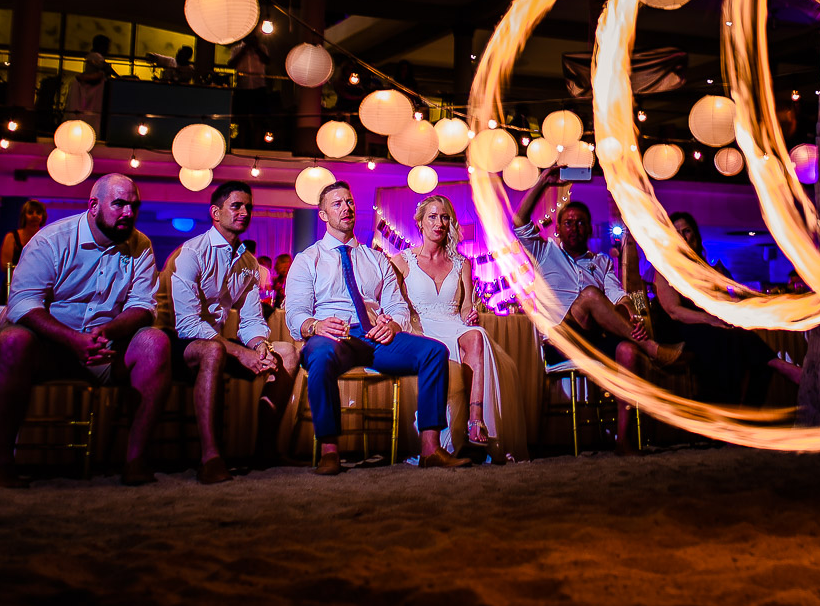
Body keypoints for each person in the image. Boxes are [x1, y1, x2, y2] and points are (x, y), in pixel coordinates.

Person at [0, 173, 169, 488]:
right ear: (93, 205)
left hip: (105, 350)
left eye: (134, 206)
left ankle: (136, 460)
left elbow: (144, 307)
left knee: (154, 341)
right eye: (119, 204)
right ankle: (0, 462)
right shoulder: (51, 239)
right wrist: (72, 340)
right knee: (12, 339)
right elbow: (23, 303)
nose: (128, 213)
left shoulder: (141, 245)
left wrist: (104, 333)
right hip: (48, 349)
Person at [285, 181, 469, 473]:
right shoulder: (308, 260)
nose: (346, 208)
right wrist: (315, 325)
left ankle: (431, 448)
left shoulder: (375, 258)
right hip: (333, 336)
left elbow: (397, 305)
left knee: (434, 351)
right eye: (337, 204)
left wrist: (394, 324)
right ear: (323, 215)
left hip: (374, 336)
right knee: (318, 356)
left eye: (350, 202)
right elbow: (295, 313)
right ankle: (330, 451)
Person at [513, 166, 682, 453]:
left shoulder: (601, 262)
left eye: (580, 223)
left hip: (595, 339)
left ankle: (623, 440)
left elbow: (619, 297)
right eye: (568, 223)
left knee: (628, 351)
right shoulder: (545, 253)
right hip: (562, 340)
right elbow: (518, 221)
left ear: (590, 229)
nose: (575, 227)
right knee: (590, 295)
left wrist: (632, 316)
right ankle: (653, 350)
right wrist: (543, 182)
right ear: (558, 228)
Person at [163, 181, 297, 482]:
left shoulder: (248, 263)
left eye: (248, 207)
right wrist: (240, 351)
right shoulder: (192, 253)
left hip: (219, 342)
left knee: (287, 351)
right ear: (215, 212)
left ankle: (264, 450)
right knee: (213, 349)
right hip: (178, 343)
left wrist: (260, 344)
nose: (244, 212)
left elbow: (250, 319)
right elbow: (186, 324)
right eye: (236, 206)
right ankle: (211, 456)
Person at [391, 195, 527, 461]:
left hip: (454, 324)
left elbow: (465, 306)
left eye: (444, 217)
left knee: (477, 336)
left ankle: (475, 421)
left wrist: (470, 313)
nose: (439, 223)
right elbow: (394, 304)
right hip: (423, 329)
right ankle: (444, 440)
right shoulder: (401, 261)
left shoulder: (462, 263)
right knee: (441, 352)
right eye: (432, 217)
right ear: (420, 222)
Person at [658, 211, 799, 405]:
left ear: (696, 236)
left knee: (738, 338)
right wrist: (709, 319)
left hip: (710, 327)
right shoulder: (665, 269)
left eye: (687, 231)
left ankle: (747, 411)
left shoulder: (708, 269)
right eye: (677, 232)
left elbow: (727, 300)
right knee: (726, 341)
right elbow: (673, 311)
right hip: (681, 329)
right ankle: (778, 366)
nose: (683, 236)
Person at [64, 34, 117, 132]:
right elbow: (106, 68)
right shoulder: (95, 57)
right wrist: (118, 77)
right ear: (100, 46)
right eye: (106, 46)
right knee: (91, 114)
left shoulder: (92, 56)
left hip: (93, 88)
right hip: (92, 90)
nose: (108, 50)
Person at [228, 34, 269, 144]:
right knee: (242, 119)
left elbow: (267, 61)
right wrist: (243, 51)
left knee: (258, 119)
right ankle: (241, 144)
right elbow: (231, 64)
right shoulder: (236, 49)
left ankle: (257, 145)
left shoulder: (262, 48)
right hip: (242, 87)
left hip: (258, 86)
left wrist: (256, 48)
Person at [0, 200, 48, 279]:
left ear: (43, 216)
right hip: (14, 283)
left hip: (38, 283)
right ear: (24, 215)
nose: (34, 216)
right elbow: (5, 266)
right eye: (30, 212)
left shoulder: (46, 237)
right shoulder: (12, 236)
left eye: (38, 213)